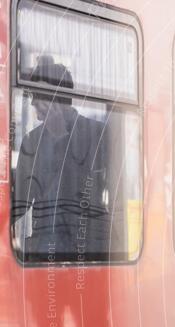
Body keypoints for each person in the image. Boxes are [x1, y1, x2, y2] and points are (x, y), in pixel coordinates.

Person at [14, 56, 109, 262]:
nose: (32, 102)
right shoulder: (31, 142)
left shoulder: (96, 134)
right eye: (31, 95)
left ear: (59, 97)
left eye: (38, 94)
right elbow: (19, 205)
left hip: (88, 253)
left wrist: (61, 137)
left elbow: (91, 191)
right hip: (43, 253)